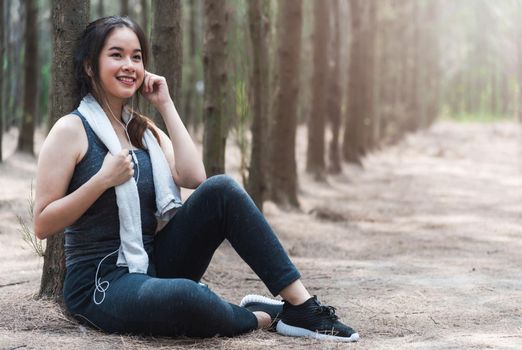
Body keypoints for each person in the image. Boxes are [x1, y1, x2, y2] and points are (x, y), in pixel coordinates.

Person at [33, 16, 359, 342]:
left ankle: (301, 306)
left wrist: (165, 103)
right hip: (100, 283)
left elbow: (195, 177)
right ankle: (265, 317)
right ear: (90, 66)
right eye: (116, 55)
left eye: (136, 56)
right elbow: (43, 224)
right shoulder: (72, 130)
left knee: (222, 189)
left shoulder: (142, 130)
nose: (129, 65)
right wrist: (101, 180)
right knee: (190, 298)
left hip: (151, 264)